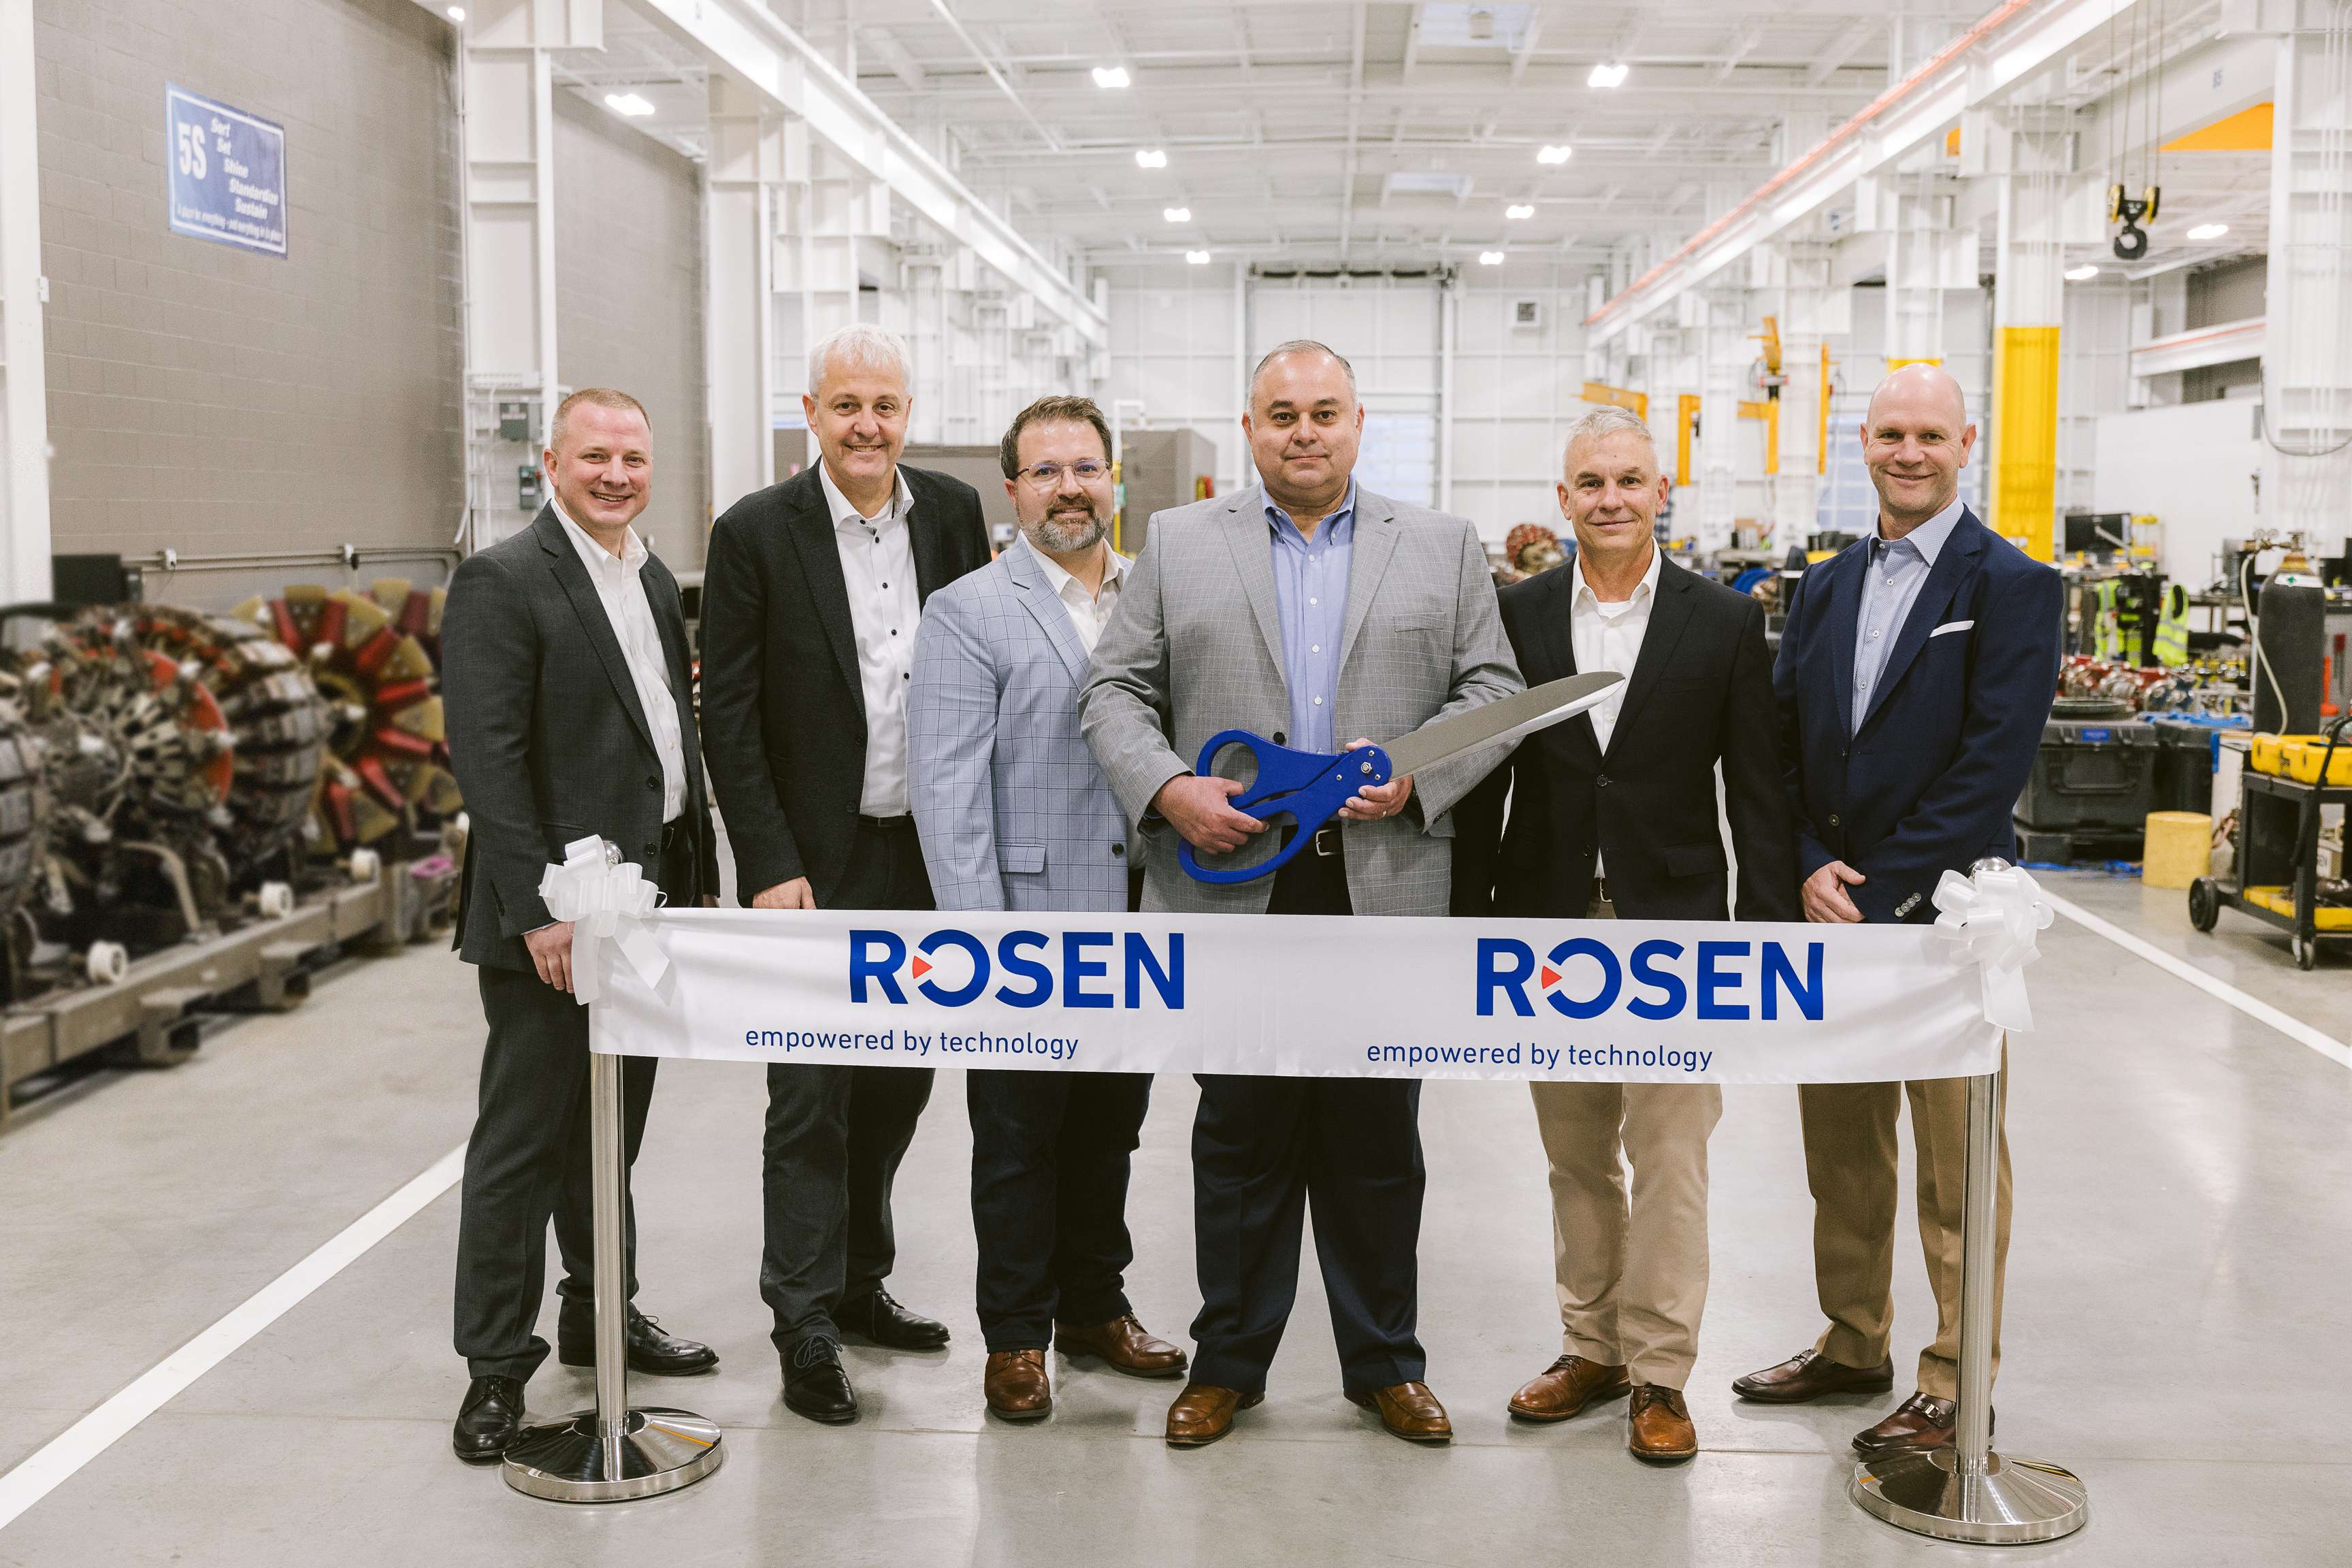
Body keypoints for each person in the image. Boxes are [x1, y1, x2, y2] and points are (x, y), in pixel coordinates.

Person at [1081, 340, 1522, 1449]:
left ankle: (1385, 1364)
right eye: (1282, 413)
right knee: (1240, 1135)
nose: (1305, 431)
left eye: (1325, 412)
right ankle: (1230, 1360)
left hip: (1386, 885)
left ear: (1360, 424)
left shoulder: (1443, 546)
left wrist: (1421, 775)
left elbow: (1496, 691)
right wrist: (1172, 789)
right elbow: (1115, 692)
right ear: (1250, 428)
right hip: (1232, 885)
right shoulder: (1180, 545)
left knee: (1379, 1138)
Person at [1454, 406, 1798, 1465]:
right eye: (1590, 483)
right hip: (1550, 922)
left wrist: (1763, 933)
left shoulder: (1724, 621)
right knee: (1575, 1155)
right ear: (1562, 502)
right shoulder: (1515, 618)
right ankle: (1588, 1347)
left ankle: (1659, 1371)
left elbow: (1758, 790)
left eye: (1630, 481)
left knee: (1672, 1156)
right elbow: (1481, 779)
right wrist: (1467, 922)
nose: (1611, 499)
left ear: (1662, 495)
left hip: (1678, 927)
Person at [1733, 363, 2061, 1458]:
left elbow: (1990, 766)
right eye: (1890, 434)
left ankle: (1957, 1379)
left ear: (1966, 443)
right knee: (1844, 1151)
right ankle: (1853, 1340)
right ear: (1861, 444)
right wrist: (1809, 865)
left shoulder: (2011, 584)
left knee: (1956, 1162)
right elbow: (1781, 745)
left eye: (1930, 434)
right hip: (1835, 918)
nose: (1908, 453)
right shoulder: (1825, 583)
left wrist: (1878, 889)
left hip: (1947, 921)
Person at [700, 323, 992, 1424]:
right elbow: (726, 714)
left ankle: (861, 1279)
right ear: (811, 415)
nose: (867, 425)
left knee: (902, 1083)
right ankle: (803, 1319)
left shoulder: (956, 517)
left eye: (886, 405)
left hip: (927, 854)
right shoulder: (755, 535)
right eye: (846, 405)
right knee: (809, 1096)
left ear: (906, 415)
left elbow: (984, 672)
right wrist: (769, 863)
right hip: (813, 869)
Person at [442, 387, 720, 1465]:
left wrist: (693, 878)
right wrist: (538, 911)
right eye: (596, 457)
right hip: (557, 924)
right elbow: (490, 760)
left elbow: (661, 739)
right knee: (523, 1144)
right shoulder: (502, 580)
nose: (616, 475)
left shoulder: (646, 571)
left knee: (610, 1135)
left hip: (644, 910)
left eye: (634, 458)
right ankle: (495, 1371)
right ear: (551, 461)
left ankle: (601, 1310)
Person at [907, 395, 1189, 1422]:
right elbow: (947, 793)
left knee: (1112, 1127)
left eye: (1087, 469)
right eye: (1048, 471)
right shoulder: (968, 611)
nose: (1071, 489)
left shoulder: (1155, 598)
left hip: (1143, 915)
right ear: (1013, 489)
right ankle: (1018, 1335)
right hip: (1026, 923)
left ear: (1116, 480)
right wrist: (986, 945)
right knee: (1018, 1137)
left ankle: (1095, 1308)